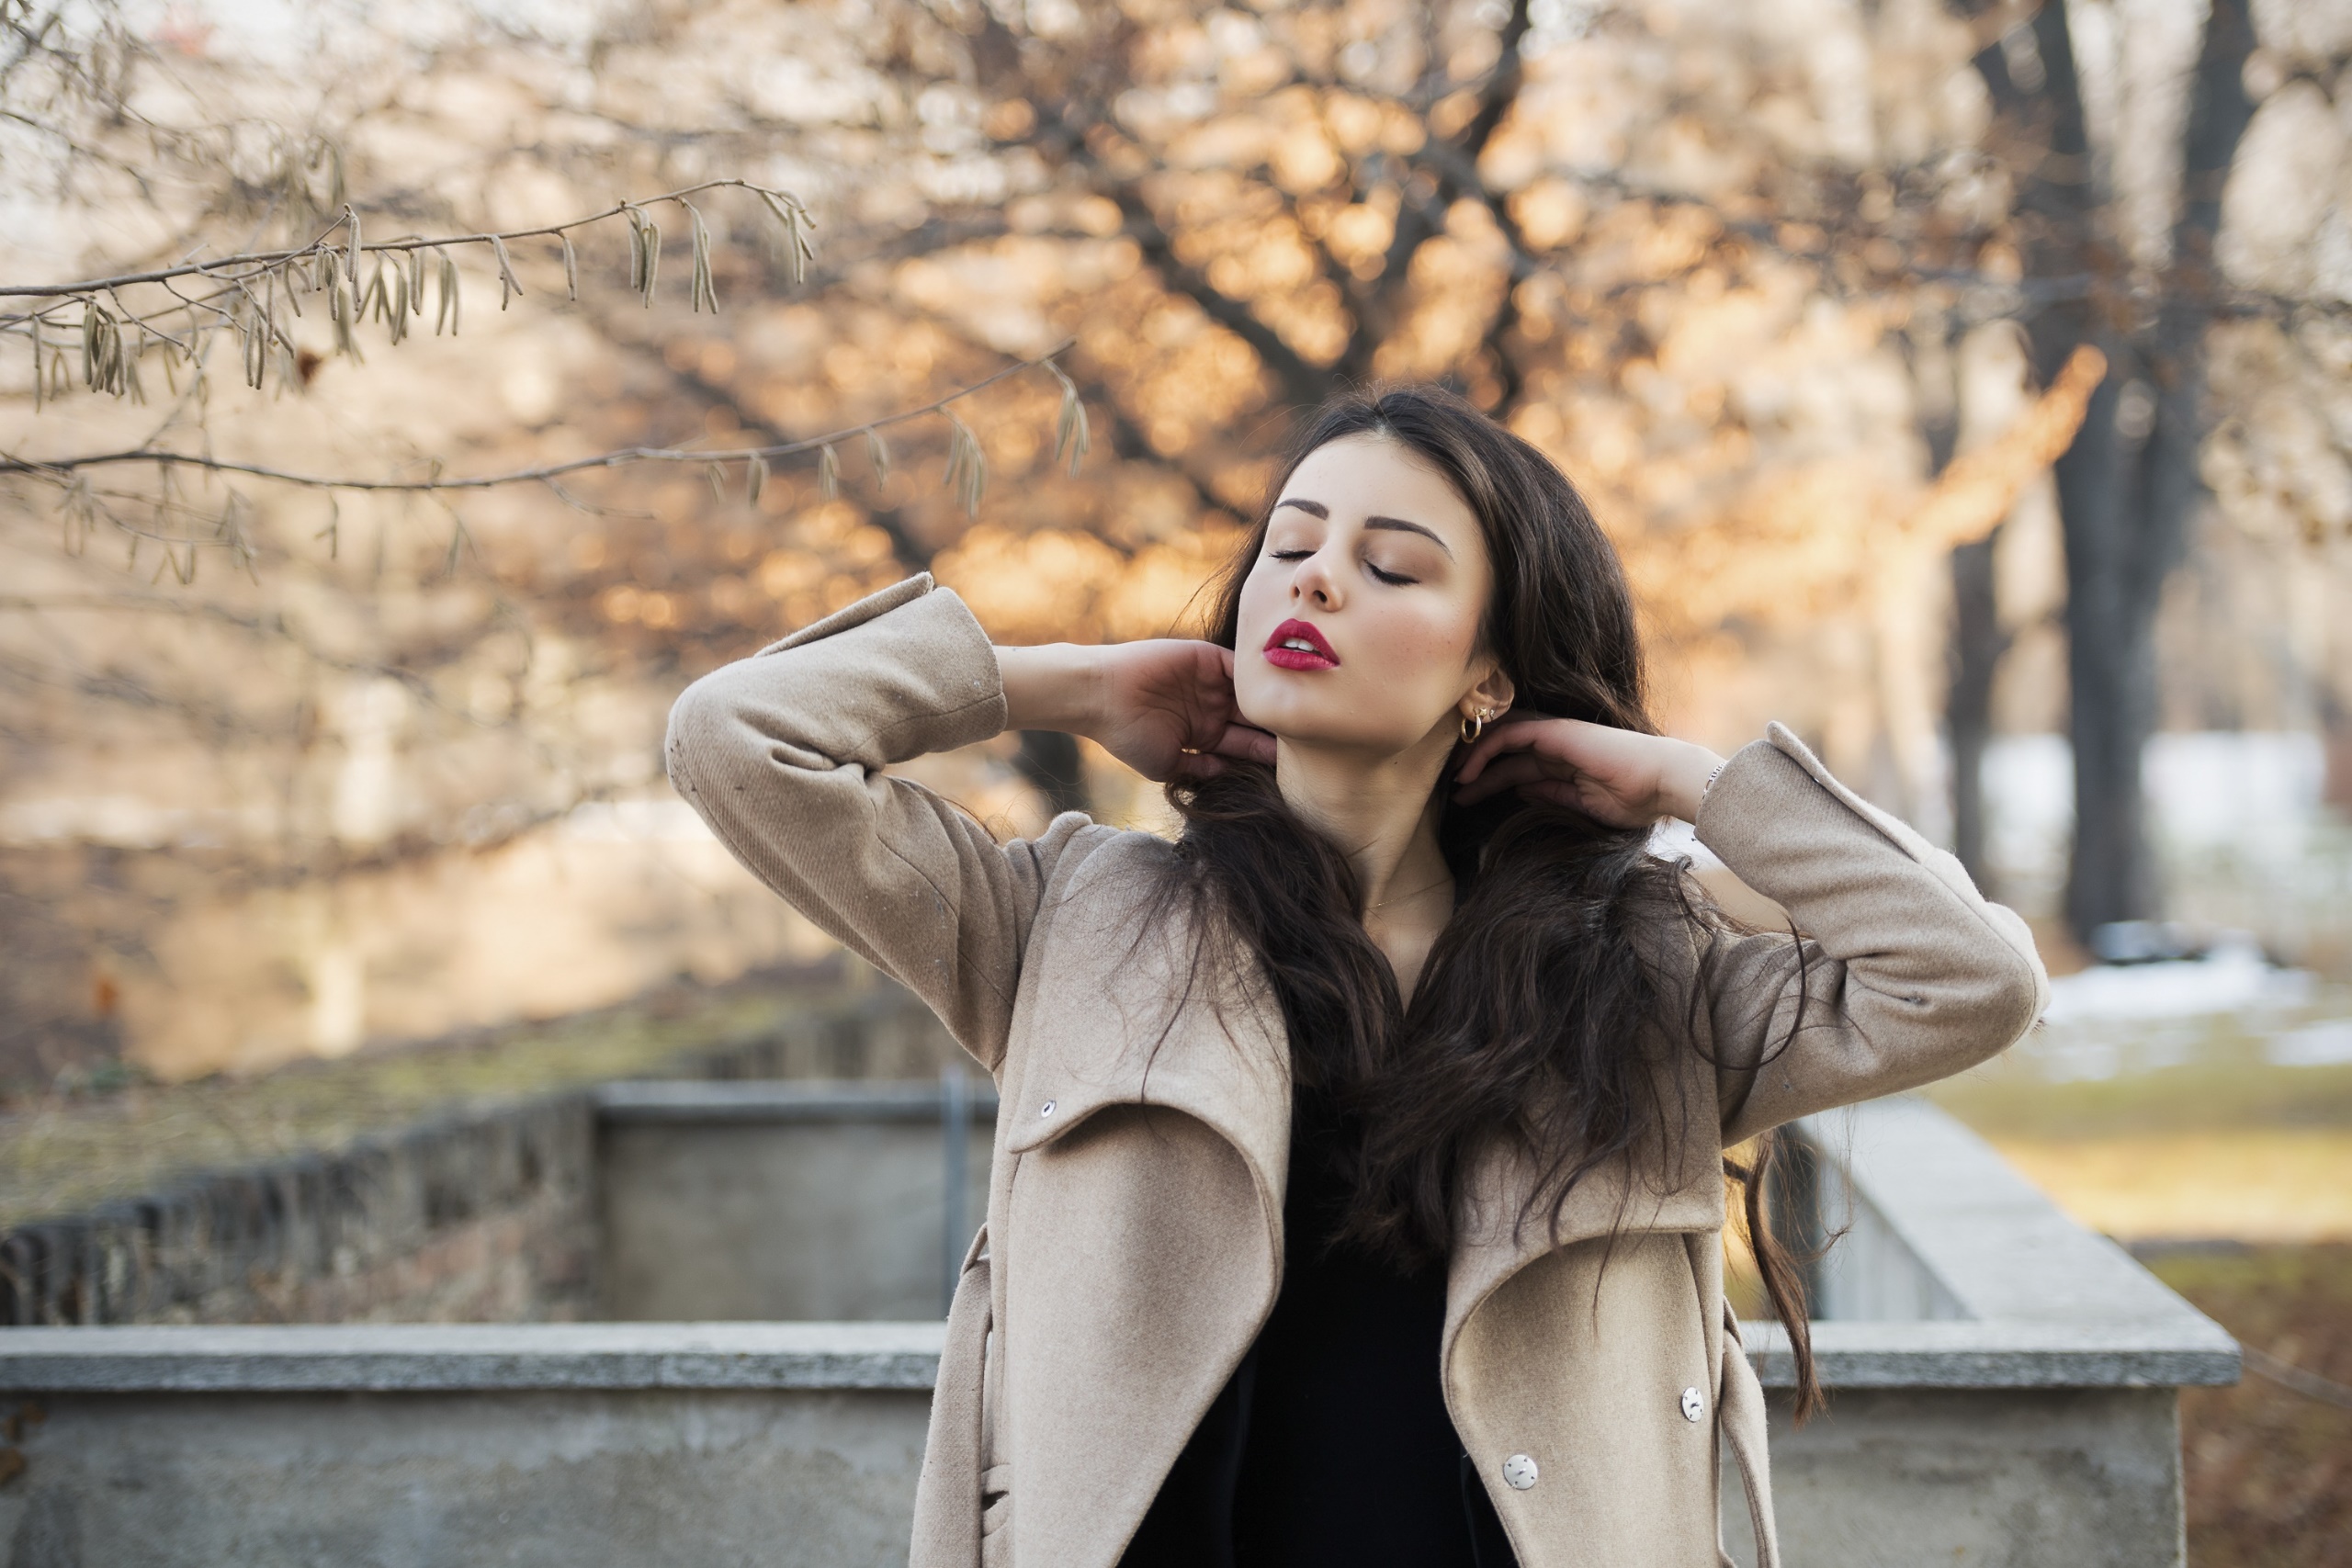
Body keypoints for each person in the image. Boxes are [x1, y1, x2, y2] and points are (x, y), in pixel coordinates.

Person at [663, 383, 2048, 1568]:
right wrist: (1071, 684)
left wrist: (1692, 782)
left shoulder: (1640, 977)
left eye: (1393, 566)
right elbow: (736, 740)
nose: (1315, 579)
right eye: (1289, 546)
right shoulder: (1070, 925)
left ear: (1489, 674)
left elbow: (1968, 977)